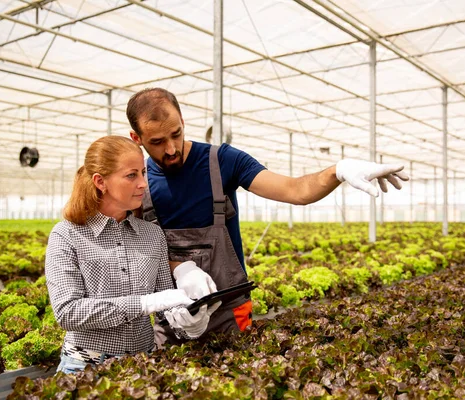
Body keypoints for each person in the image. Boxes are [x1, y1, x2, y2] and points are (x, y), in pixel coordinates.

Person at [126, 88, 409, 343]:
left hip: (230, 310)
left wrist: (337, 171)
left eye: (176, 133)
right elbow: (137, 251)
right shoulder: (139, 183)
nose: (171, 148)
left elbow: (295, 190)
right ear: (137, 139)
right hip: (173, 315)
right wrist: (181, 269)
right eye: (158, 141)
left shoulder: (222, 160)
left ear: (184, 122)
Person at [45, 135, 219, 374]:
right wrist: (144, 303)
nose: (143, 184)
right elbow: (68, 312)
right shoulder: (66, 235)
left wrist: (190, 322)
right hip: (84, 368)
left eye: (143, 173)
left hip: (143, 367)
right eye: (131, 175)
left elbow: (165, 310)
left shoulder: (152, 235)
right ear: (100, 181)